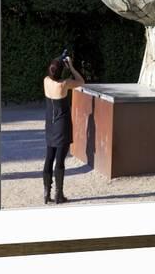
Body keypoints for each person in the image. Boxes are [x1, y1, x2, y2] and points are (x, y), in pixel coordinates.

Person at [42, 55, 85, 204]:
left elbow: (52, 72)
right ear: (61, 72)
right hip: (62, 127)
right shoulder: (64, 84)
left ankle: (46, 193)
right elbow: (81, 82)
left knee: (49, 158)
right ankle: (59, 195)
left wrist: (59, 61)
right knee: (59, 161)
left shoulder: (46, 81)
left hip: (50, 125)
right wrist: (71, 67)